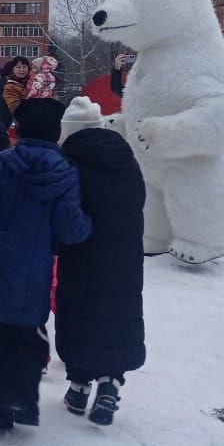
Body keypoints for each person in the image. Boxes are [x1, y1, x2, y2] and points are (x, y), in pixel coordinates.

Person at [0, 98, 91, 434]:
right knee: (21, 339)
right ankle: (17, 400)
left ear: (19, 128)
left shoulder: (1, 163)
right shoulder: (64, 172)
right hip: (32, 276)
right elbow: (70, 230)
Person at [56, 97, 146, 426]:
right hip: (124, 254)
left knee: (80, 314)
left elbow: (66, 211)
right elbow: (139, 198)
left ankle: (79, 387)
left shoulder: (68, 164)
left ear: (69, 132)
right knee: (117, 312)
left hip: (82, 255)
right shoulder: (124, 158)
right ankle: (110, 383)